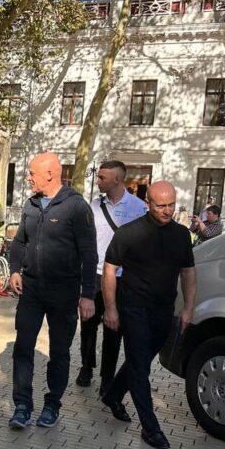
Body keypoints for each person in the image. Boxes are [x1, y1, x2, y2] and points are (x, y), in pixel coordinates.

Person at [102, 181, 197, 449]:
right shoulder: (129, 233)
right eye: (161, 205)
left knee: (139, 360)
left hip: (164, 310)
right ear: (148, 204)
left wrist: (188, 307)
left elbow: (188, 272)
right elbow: (110, 269)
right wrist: (111, 308)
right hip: (133, 308)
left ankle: (112, 395)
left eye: (171, 205)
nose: (167, 211)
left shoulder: (181, 235)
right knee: (140, 367)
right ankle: (151, 428)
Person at [7, 151, 97, 430]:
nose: (28, 177)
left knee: (59, 351)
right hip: (31, 290)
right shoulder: (30, 205)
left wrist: (88, 295)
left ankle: (52, 404)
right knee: (23, 347)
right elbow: (19, 242)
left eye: (32, 173)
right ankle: (22, 406)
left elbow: (89, 253)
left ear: (50, 173)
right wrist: (14, 270)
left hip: (64, 292)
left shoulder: (77, 207)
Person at [76, 160, 148, 393]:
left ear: (117, 179)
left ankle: (107, 378)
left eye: (102, 177)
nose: (98, 181)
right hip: (95, 275)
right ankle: (86, 366)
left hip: (122, 279)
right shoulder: (94, 206)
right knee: (87, 324)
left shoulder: (138, 208)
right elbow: (84, 240)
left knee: (113, 329)